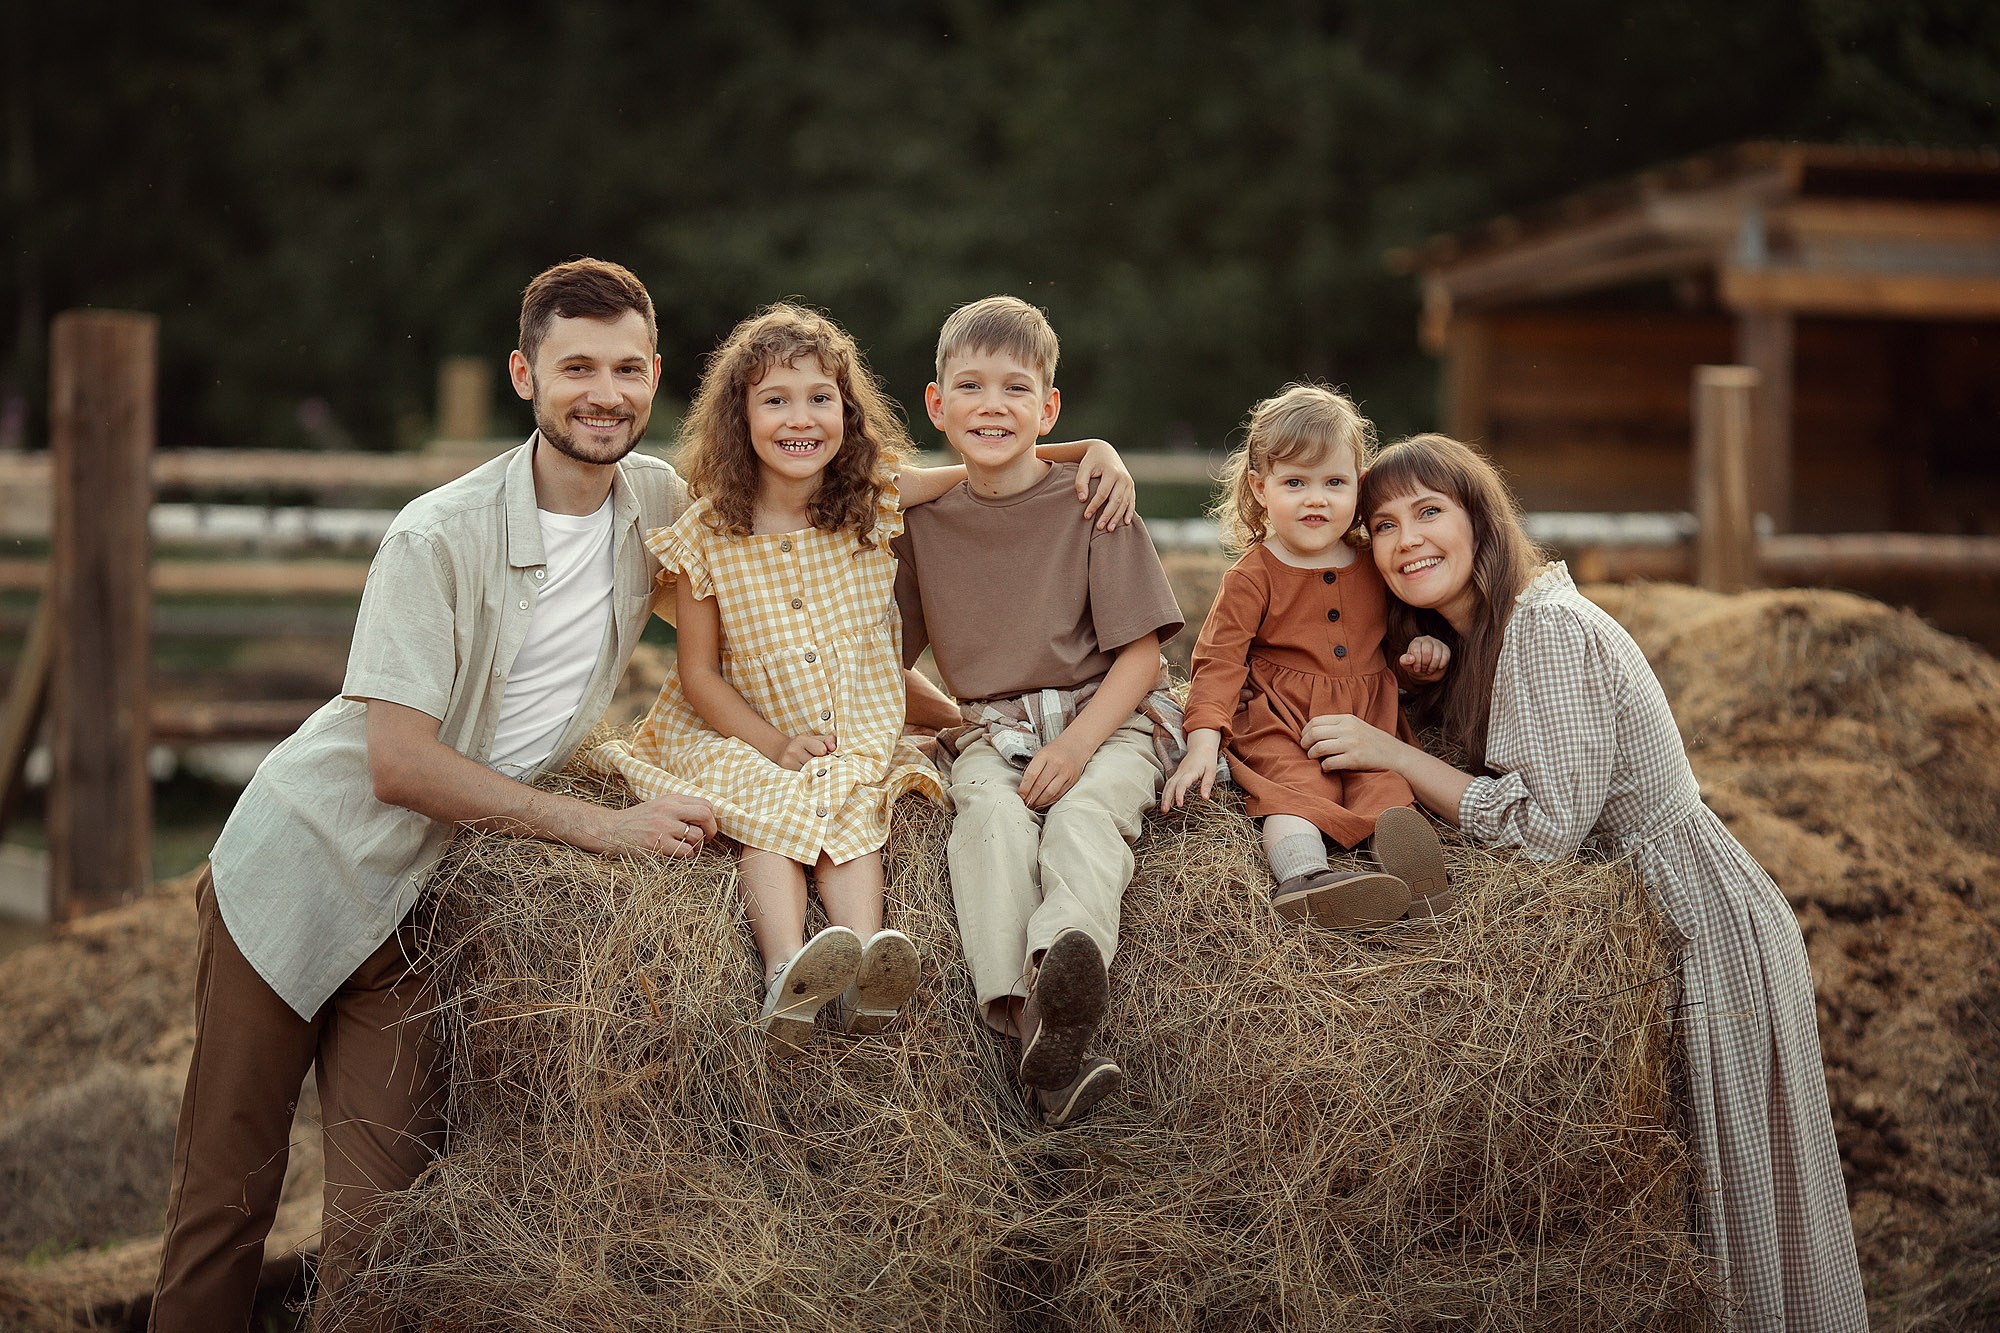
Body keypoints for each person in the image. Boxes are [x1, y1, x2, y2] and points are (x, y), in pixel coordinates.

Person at [149, 259, 723, 1332]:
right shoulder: (435, 535)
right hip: (301, 870)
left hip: (418, 913)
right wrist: (604, 827)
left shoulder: (656, 503)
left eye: (629, 368)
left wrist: (1060, 457)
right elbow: (398, 764)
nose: (605, 392)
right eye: (577, 368)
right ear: (524, 375)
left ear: (654, 378)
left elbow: (819, 507)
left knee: (385, 1232)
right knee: (225, 1201)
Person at [1305, 432, 1868, 1330]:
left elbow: (1541, 833)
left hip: (1703, 918)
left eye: (1428, 512)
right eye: (1382, 524)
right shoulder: (1488, 635)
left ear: (1480, 520)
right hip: (1657, 919)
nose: (1405, 538)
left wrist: (1383, 753)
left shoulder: (1548, 627)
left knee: (1745, 1214)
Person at [591, 303, 1138, 1057]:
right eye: (775, 400)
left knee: (853, 808)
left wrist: (1094, 451)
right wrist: (772, 742)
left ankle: (867, 956)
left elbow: (995, 460)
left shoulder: (872, 501)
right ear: (738, 417)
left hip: (846, 730)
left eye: (821, 398)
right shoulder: (707, 534)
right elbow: (698, 675)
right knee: (768, 806)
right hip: (743, 730)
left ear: (847, 413)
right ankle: (787, 968)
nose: (800, 418)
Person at [892, 295, 1185, 1128]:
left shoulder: (1092, 499)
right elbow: (886, 661)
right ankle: (1033, 1030)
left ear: (1048, 407)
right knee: (986, 817)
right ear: (936, 403)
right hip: (991, 726)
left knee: (1085, 815)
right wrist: (943, 722)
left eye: (1016, 389)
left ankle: (1062, 971)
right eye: (971, 387)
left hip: (1108, 713)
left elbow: (1143, 657)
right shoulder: (920, 521)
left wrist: (1082, 743)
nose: (993, 405)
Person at [1160, 384, 1454, 926]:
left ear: (1359, 488)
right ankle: (1306, 880)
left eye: (1334, 483)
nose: (1316, 499)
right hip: (1282, 719)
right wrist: (1203, 744)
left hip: (1367, 717)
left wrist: (1421, 652)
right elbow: (1218, 662)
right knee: (1295, 789)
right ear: (1260, 488)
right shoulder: (1253, 574)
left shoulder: (1377, 560)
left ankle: (1414, 885)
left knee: (1386, 788)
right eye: (1295, 482)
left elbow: (1401, 632)